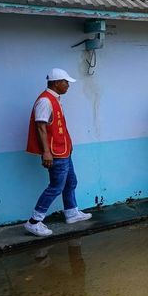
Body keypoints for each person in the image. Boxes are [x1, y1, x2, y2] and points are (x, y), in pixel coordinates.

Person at [24, 68, 92, 237]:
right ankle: (34, 221)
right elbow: (41, 127)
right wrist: (46, 152)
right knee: (56, 186)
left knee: (71, 182)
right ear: (56, 83)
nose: (68, 85)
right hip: (55, 152)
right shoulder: (45, 101)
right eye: (65, 82)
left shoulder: (54, 99)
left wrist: (68, 144)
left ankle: (71, 212)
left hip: (63, 150)